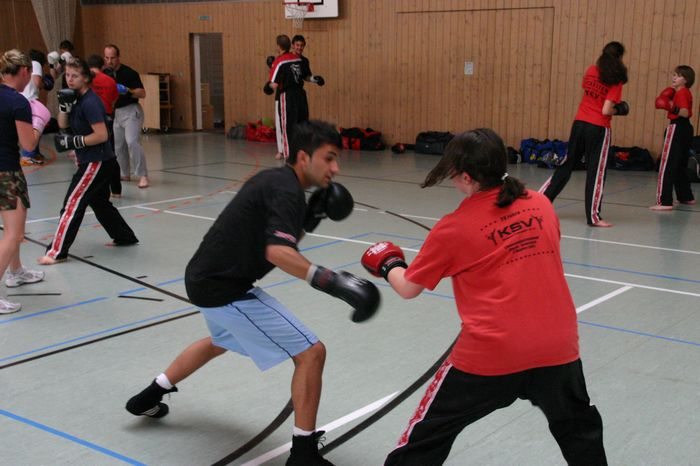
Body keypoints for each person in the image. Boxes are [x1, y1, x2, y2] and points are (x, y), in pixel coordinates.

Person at [124, 120, 379, 466]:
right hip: (224, 288)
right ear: (304, 157)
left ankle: (148, 396)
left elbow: (280, 239)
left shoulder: (277, 181)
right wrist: (334, 282)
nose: (335, 168)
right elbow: (278, 253)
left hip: (203, 278)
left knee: (219, 341)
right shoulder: (286, 190)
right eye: (329, 158)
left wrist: (311, 217)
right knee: (311, 353)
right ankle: (303, 455)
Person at [361, 128, 607, 466]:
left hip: (493, 352)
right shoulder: (540, 204)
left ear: (466, 177)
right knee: (579, 430)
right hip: (557, 345)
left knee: (427, 436)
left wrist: (388, 263)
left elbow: (408, 288)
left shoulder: (455, 227)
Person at [37, 58, 138, 266]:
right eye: (67, 75)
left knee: (72, 204)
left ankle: (57, 252)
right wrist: (64, 107)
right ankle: (124, 236)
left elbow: (101, 135)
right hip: (94, 160)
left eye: (75, 76)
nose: (70, 79)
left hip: (96, 161)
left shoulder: (91, 102)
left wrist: (76, 141)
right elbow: (63, 125)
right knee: (99, 202)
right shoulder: (75, 98)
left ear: (85, 78)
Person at [539, 41, 629, 227]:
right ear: (619, 57)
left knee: (567, 164)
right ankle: (593, 217)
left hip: (579, 122)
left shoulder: (591, 70)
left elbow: (590, 94)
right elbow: (606, 110)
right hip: (598, 127)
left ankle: (540, 201)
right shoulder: (616, 78)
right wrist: (619, 110)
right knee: (596, 171)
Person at [0, 49, 49, 313]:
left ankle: (16, 271)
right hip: (7, 172)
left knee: (10, 228)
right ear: (24, 71)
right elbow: (29, 145)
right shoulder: (18, 102)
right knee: (14, 234)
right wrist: (39, 124)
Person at [650, 65, 696, 210]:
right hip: (686, 129)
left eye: (678, 75)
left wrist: (670, 106)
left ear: (686, 80)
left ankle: (664, 202)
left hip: (677, 127)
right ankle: (686, 196)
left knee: (667, 165)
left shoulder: (681, 92)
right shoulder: (684, 92)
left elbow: (684, 112)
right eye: (674, 74)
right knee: (680, 165)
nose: (674, 77)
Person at [103, 44, 149, 188]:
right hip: (116, 112)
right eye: (107, 58)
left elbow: (142, 93)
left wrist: (128, 91)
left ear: (118, 57)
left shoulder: (129, 73)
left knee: (132, 141)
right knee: (118, 145)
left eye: (112, 58)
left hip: (131, 111)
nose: (109, 61)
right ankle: (124, 173)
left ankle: (143, 175)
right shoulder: (105, 74)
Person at [87, 54, 121, 198]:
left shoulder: (86, 80)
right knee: (110, 154)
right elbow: (114, 99)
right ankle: (116, 189)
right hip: (107, 117)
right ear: (102, 66)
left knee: (93, 155)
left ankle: (99, 188)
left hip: (90, 119)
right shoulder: (110, 80)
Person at [265, 35, 304, 161]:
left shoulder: (279, 61)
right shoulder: (297, 58)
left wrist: (267, 87)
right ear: (290, 45)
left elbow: (274, 84)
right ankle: (299, 152)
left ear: (279, 46)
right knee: (299, 124)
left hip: (287, 95)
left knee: (285, 125)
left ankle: (287, 155)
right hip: (300, 96)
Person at [20, 49, 50, 166]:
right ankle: (27, 155)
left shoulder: (25, 65)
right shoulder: (35, 63)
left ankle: (34, 153)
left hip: (25, 99)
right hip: (30, 100)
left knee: (37, 127)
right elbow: (37, 83)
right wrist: (44, 83)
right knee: (34, 127)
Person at [291, 34, 325, 112]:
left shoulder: (304, 61)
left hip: (299, 92)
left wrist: (315, 79)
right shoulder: (285, 59)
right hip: (288, 94)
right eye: (297, 45)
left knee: (303, 115)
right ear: (292, 45)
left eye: (302, 45)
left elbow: (306, 76)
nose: (299, 47)